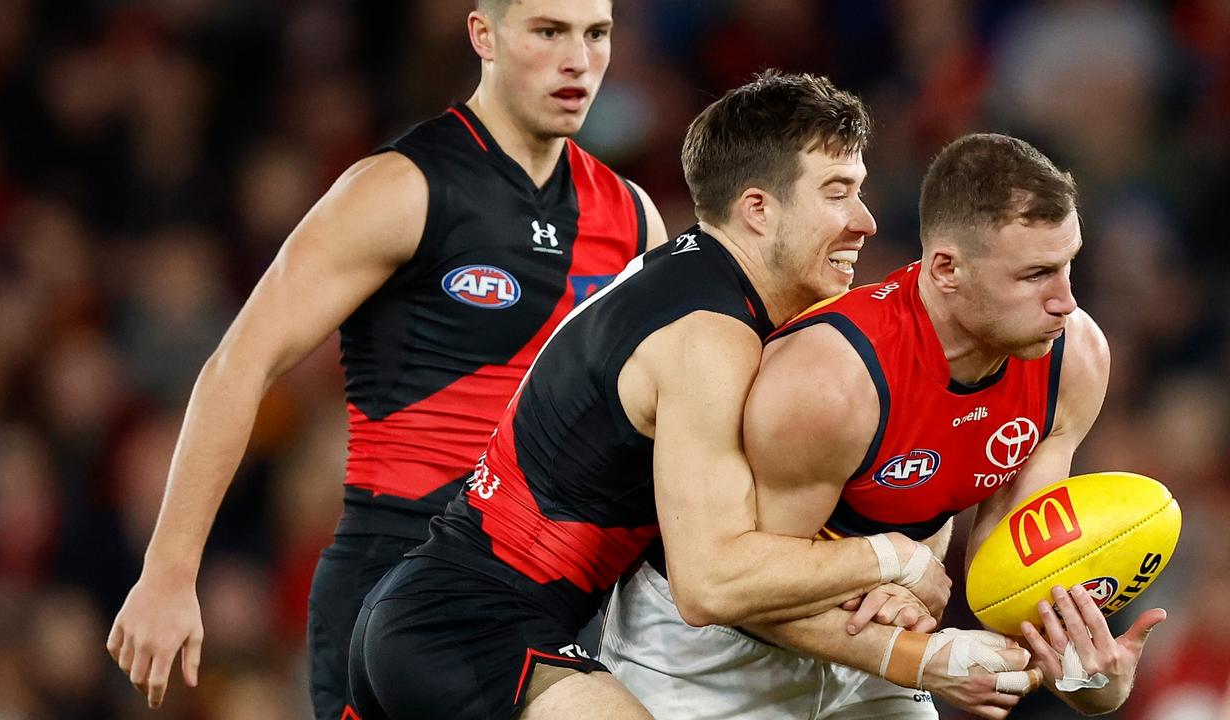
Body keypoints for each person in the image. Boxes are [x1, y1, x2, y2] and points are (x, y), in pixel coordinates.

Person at [345, 71, 1025, 720]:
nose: (866, 222)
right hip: (469, 630)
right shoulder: (711, 338)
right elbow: (711, 585)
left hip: (437, 616)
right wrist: (896, 560)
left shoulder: (699, 281)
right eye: (838, 192)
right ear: (758, 209)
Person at [105, 1, 668, 718]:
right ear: (483, 35)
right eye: (548, 32)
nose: (578, 60)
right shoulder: (400, 188)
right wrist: (168, 572)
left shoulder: (631, 219)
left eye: (597, 35)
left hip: (555, 596)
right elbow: (238, 364)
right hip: (400, 577)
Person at [600, 133, 1167, 719]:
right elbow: (739, 591)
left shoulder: (1074, 359)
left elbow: (1009, 586)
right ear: (946, 269)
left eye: (1068, 263)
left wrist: (1088, 678)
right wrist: (914, 647)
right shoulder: (834, 380)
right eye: (1035, 275)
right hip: (713, 654)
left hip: (869, 639)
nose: (1066, 301)